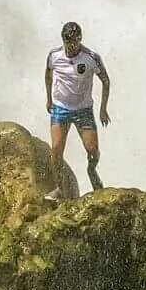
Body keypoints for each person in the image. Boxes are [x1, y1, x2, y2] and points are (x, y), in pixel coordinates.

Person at [44, 21, 111, 193]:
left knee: (93, 151)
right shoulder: (54, 55)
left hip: (83, 110)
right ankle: (60, 188)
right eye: (68, 43)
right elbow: (48, 75)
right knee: (56, 149)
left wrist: (103, 108)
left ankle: (91, 170)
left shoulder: (91, 57)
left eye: (74, 43)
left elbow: (105, 80)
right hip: (61, 108)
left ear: (80, 40)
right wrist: (49, 99)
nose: (71, 47)